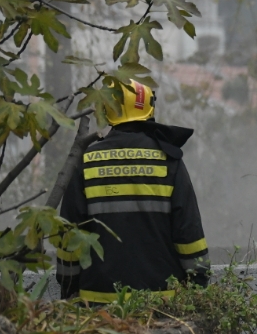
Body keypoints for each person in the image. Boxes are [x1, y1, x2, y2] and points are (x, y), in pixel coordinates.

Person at [57, 80, 210, 303]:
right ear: (149, 108)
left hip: (98, 305)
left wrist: (68, 287)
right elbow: (189, 233)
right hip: (161, 304)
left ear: (109, 110)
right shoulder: (169, 161)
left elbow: (69, 236)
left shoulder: (87, 162)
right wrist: (198, 286)